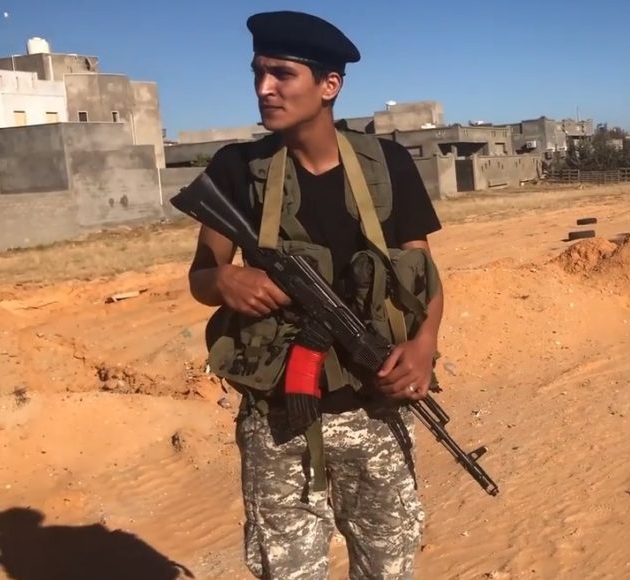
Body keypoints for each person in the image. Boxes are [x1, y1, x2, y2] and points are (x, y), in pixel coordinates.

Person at [185, 10, 444, 579]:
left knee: (388, 568)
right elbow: (202, 276)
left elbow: (423, 275)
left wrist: (423, 346)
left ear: (329, 85)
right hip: (278, 419)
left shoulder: (387, 165)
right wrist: (225, 281)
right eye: (257, 72)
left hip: (376, 412)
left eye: (281, 74)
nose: (264, 88)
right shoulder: (238, 168)